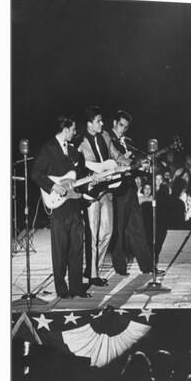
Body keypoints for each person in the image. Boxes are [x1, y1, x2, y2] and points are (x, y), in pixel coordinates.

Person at [31, 115, 89, 298]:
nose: (74, 133)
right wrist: (53, 186)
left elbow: (76, 175)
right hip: (58, 205)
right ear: (65, 129)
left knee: (77, 247)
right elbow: (36, 174)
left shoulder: (72, 150)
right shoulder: (49, 148)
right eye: (72, 130)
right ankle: (62, 291)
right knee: (60, 249)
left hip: (73, 202)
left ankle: (77, 288)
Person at [78, 106, 128, 286]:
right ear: (90, 123)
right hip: (91, 192)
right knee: (92, 234)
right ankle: (92, 274)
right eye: (98, 120)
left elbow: (116, 155)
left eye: (101, 120)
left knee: (107, 232)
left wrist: (131, 163)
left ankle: (92, 269)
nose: (102, 123)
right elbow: (84, 165)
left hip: (106, 191)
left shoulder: (106, 136)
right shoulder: (80, 142)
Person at [107, 110, 153, 275]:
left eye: (126, 127)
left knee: (137, 227)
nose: (123, 130)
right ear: (114, 123)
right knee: (119, 230)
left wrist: (143, 167)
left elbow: (134, 166)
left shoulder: (129, 141)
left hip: (130, 188)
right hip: (117, 189)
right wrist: (124, 160)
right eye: (121, 125)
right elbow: (108, 163)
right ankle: (120, 268)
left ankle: (147, 266)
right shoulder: (107, 139)